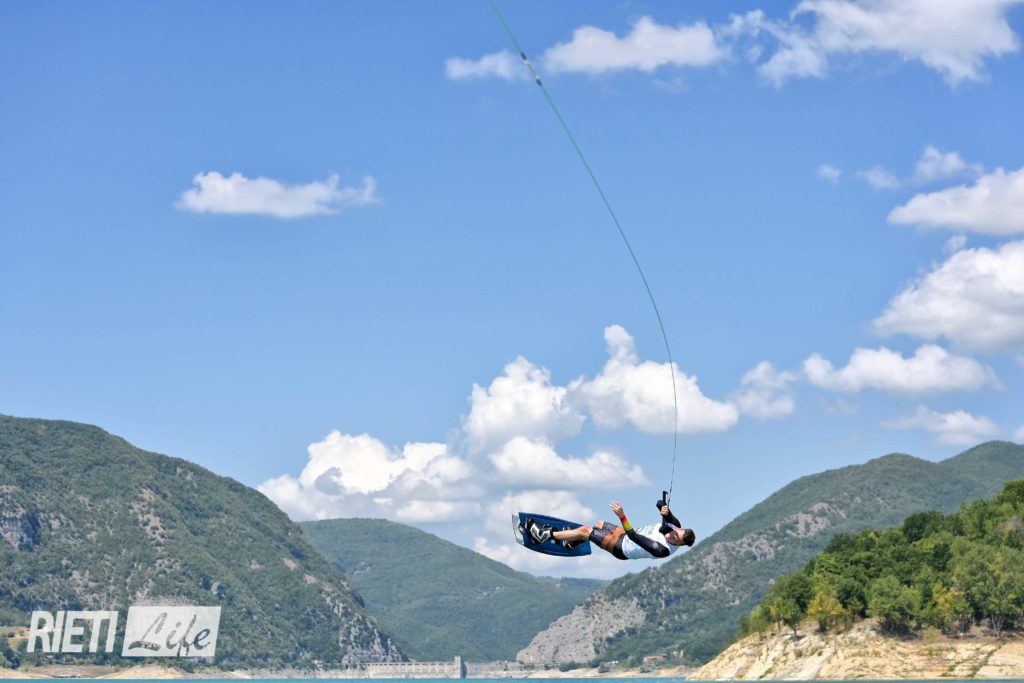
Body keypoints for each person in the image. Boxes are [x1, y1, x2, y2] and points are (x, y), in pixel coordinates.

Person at [527, 497, 695, 560]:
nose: (673, 536)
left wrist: (622, 516)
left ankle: (543, 535)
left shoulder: (662, 550)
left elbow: (634, 536)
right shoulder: (675, 525)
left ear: (679, 545)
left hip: (622, 548)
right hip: (624, 535)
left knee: (586, 530)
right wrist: (664, 509)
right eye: (676, 533)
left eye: (676, 540)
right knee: (600, 524)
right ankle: (572, 542)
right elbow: (659, 502)